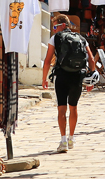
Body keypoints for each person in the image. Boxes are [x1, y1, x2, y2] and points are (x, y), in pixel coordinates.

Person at [41, 14, 97, 153]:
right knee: (73, 108)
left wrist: (44, 78)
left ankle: (63, 140)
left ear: (63, 25)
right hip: (77, 76)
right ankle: (71, 138)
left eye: (55, 26)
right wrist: (91, 78)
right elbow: (91, 59)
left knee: (61, 109)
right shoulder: (81, 38)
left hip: (62, 76)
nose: (54, 30)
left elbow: (48, 60)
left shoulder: (55, 38)